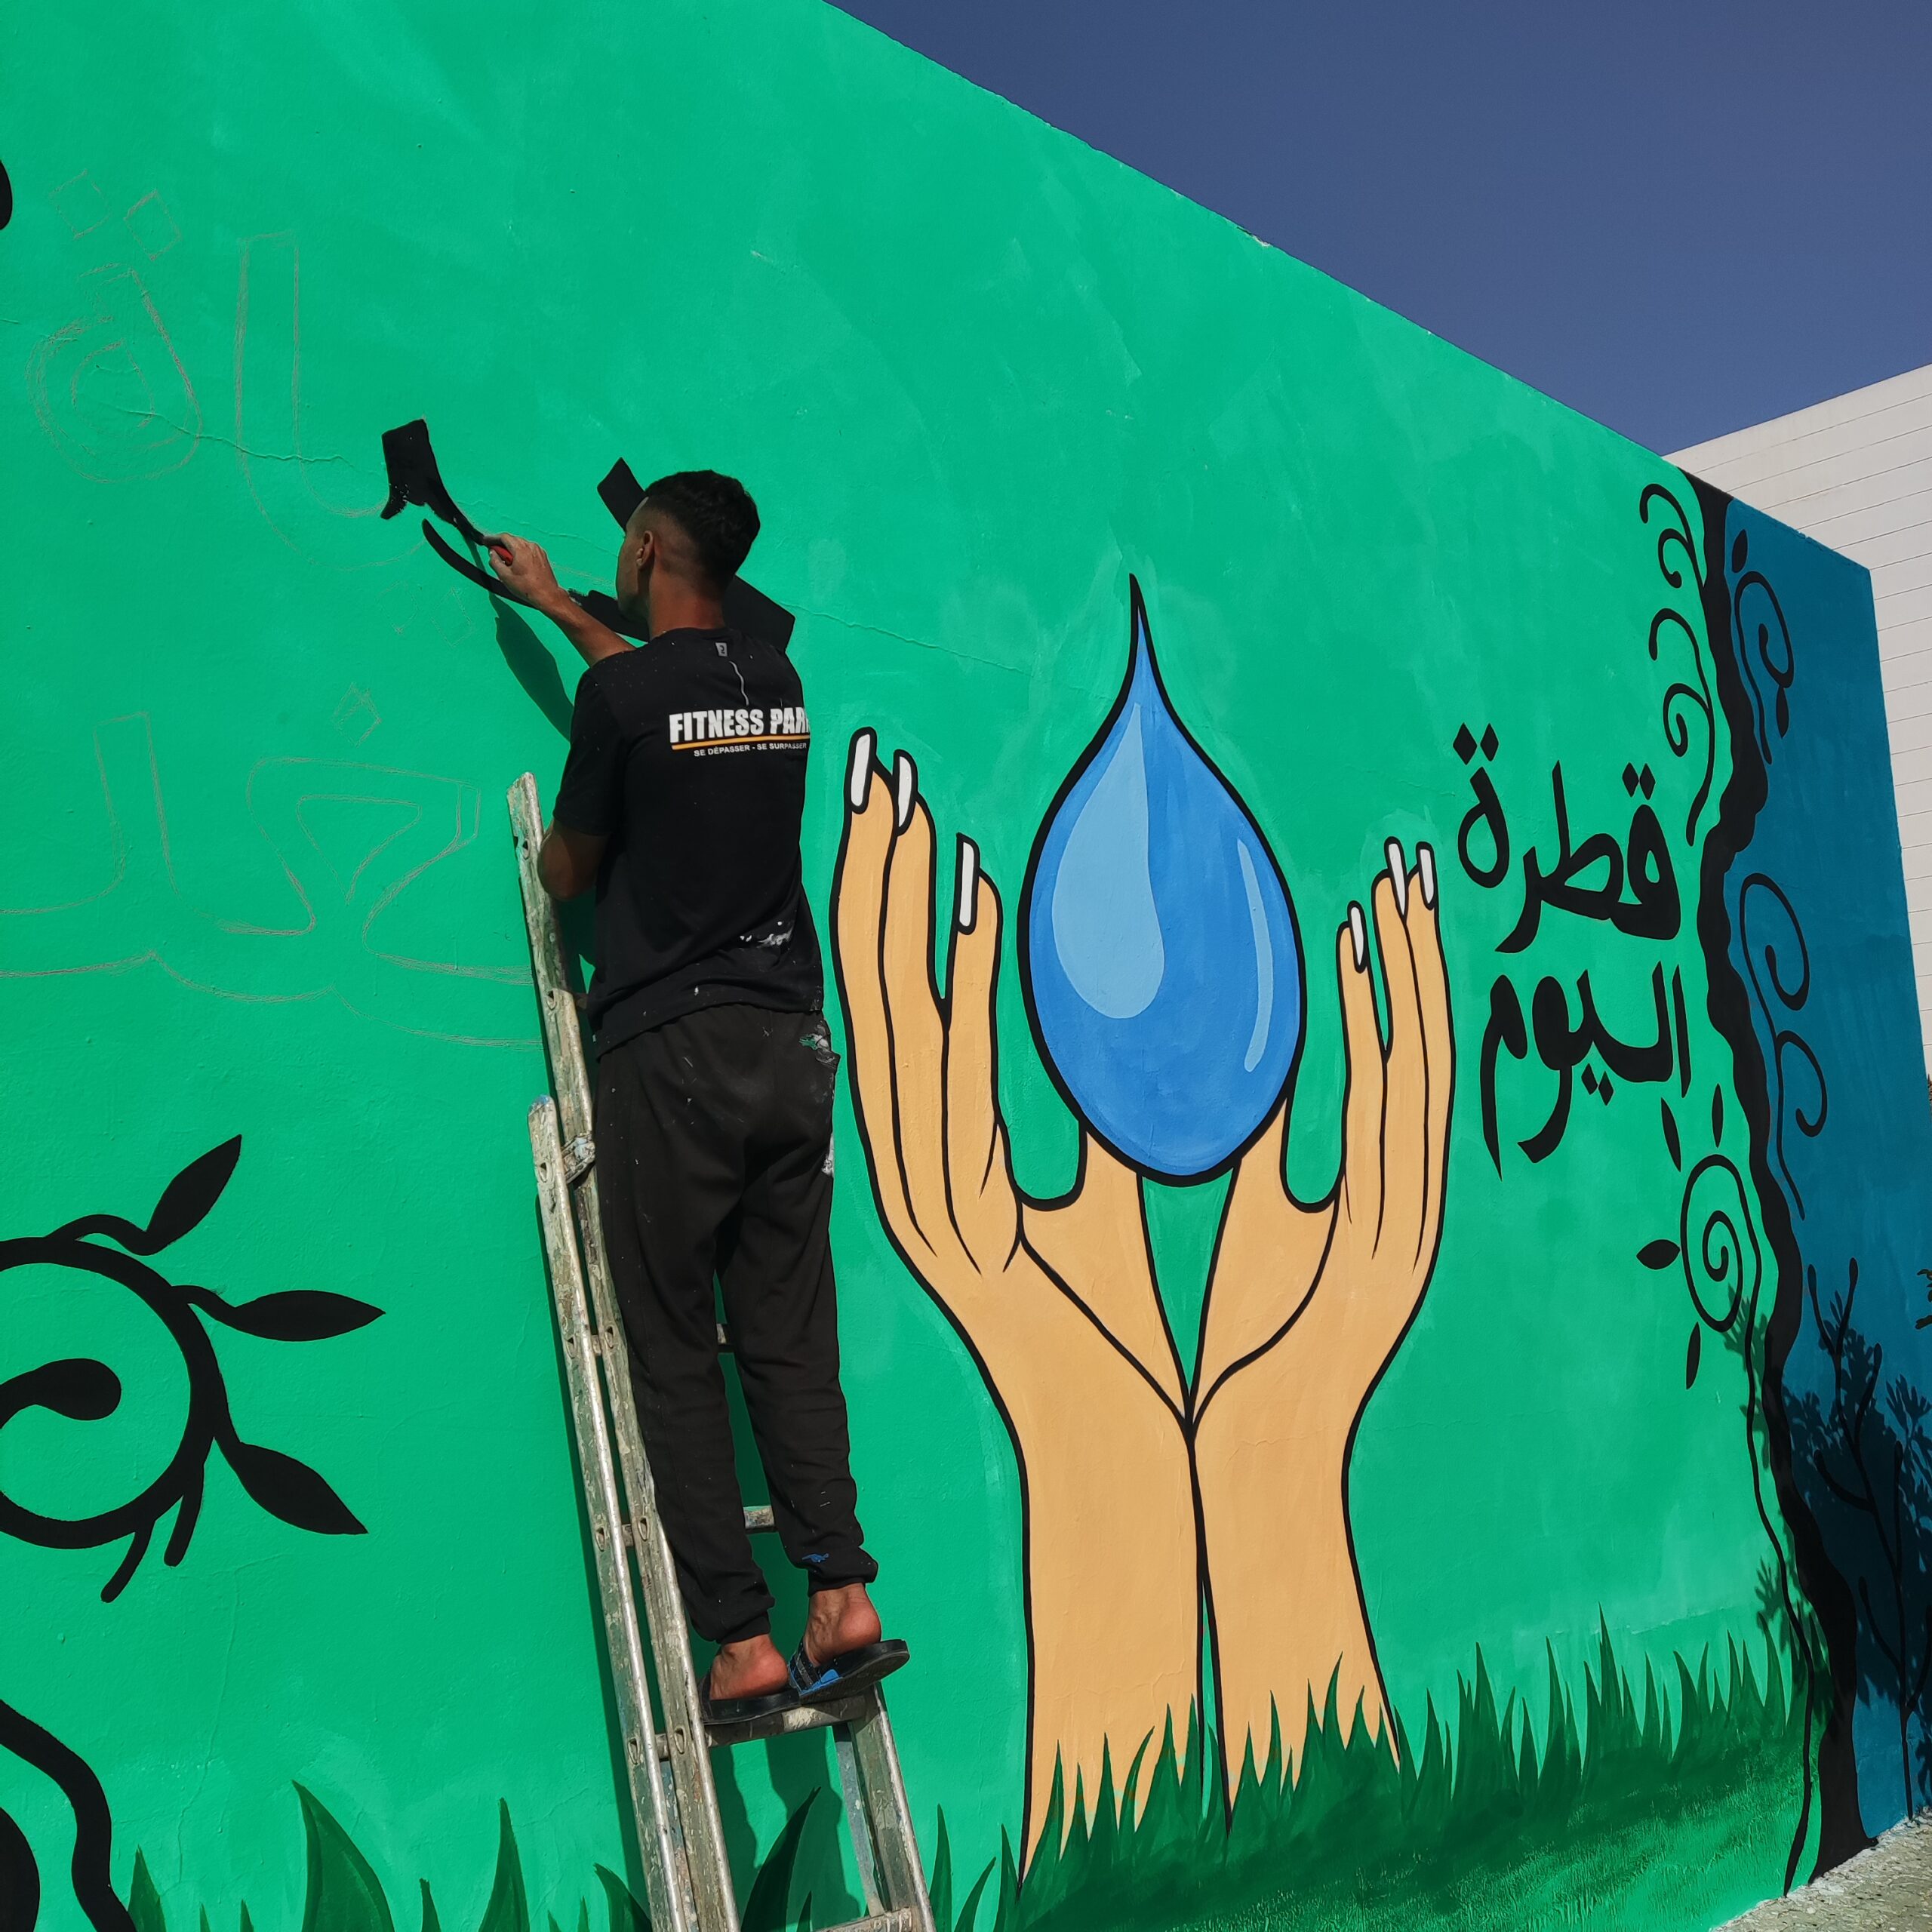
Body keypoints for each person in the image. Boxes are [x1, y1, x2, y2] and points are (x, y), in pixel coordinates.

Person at [488, 471, 906, 1723]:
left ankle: (741, 1641)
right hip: (793, 1047)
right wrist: (566, 606)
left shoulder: (619, 704)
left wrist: (577, 818)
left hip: (672, 1050)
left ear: (653, 544)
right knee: (788, 1334)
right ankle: (838, 1592)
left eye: (625, 547)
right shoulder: (775, 685)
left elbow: (570, 865)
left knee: (672, 1343)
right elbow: (673, 695)